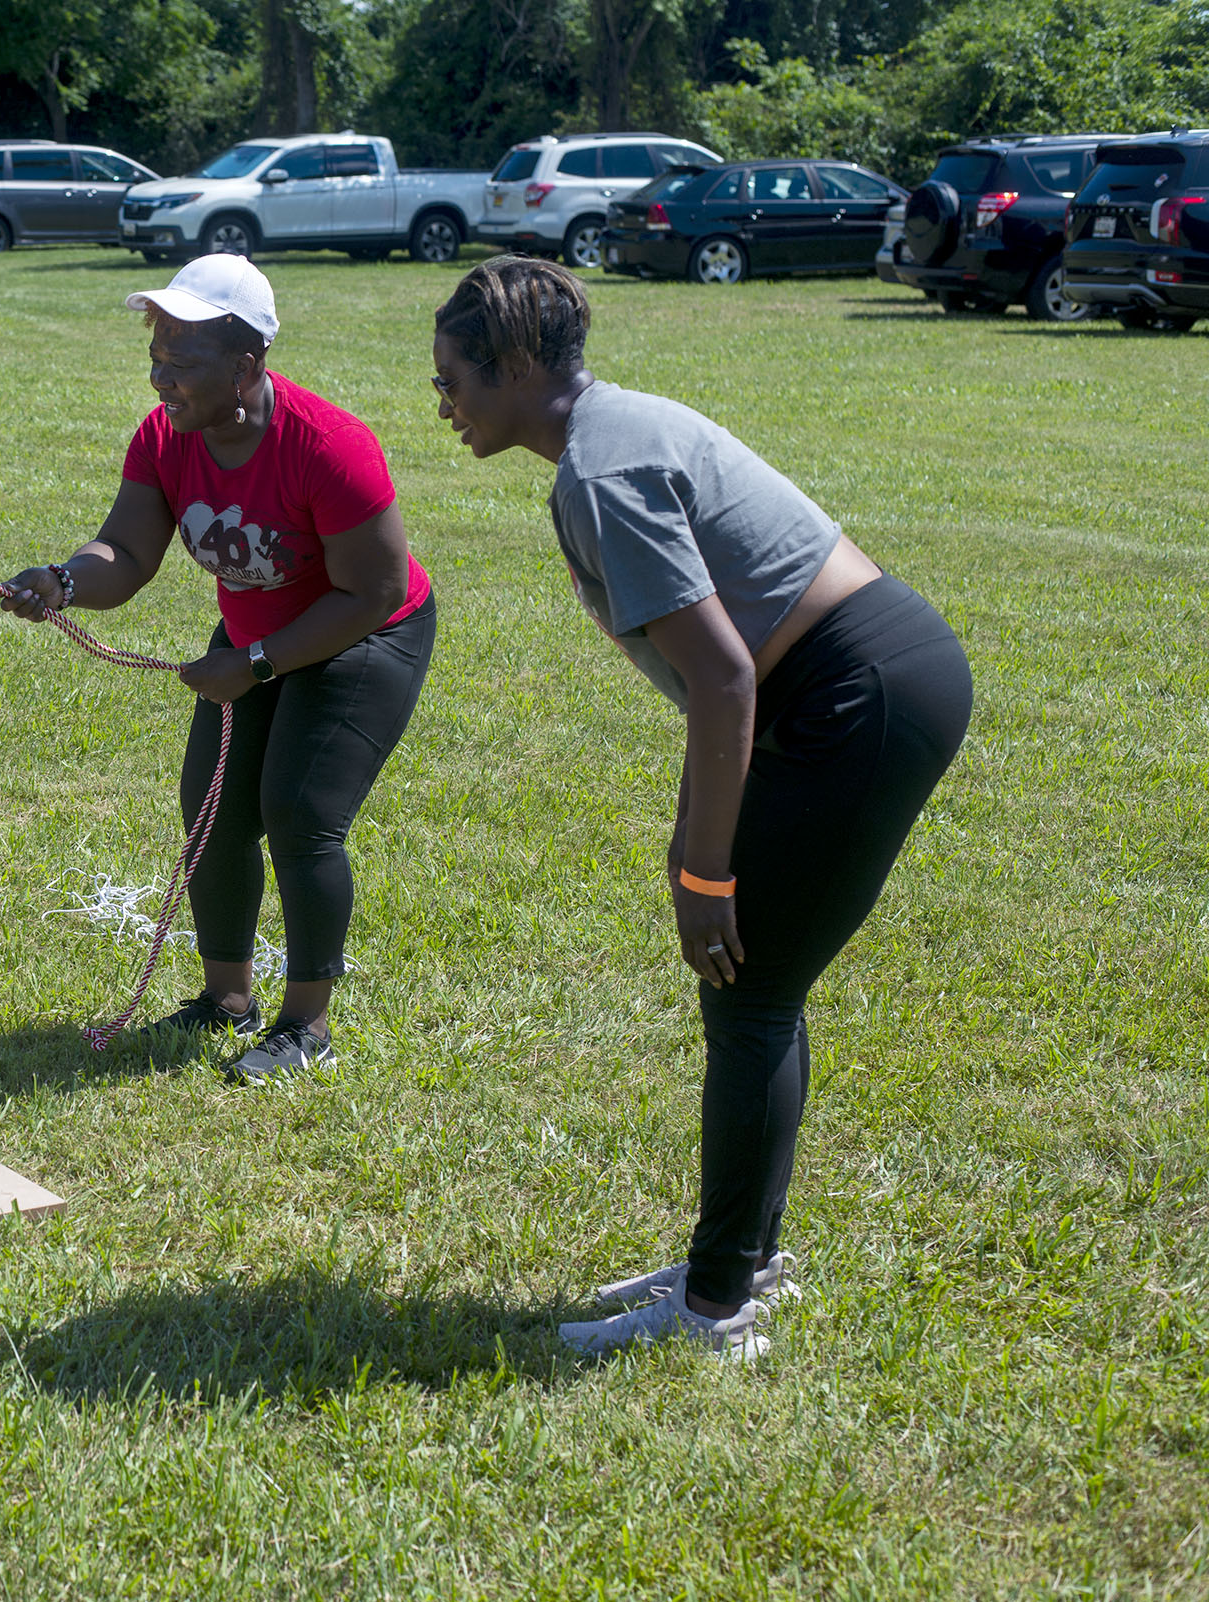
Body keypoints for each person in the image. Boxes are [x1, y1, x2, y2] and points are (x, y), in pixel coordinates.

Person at [428, 257, 972, 1360]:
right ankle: (740, 1259)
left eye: (454, 380)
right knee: (758, 990)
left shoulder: (600, 471)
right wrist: (694, 844)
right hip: (849, 684)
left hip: (853, 696)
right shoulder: (611, 434)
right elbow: (722, 684)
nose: (443, 403)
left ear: (520, 365)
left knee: (751, 989)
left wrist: (705, 874)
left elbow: (726, 678)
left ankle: (720, 1309)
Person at [4, 255, 437, 1085]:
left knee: (299, 810)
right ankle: (225, 1001)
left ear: (247, 364)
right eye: (157, 355)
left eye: (183, 359)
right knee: (213, 808)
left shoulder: (329, 445)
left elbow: (374, 590)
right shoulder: (165, 436)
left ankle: (306, 1027)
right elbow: (126, 553)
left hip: (364, 634)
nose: (162, 376)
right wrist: (62, 582)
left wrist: (256, 662)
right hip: (253, 639)